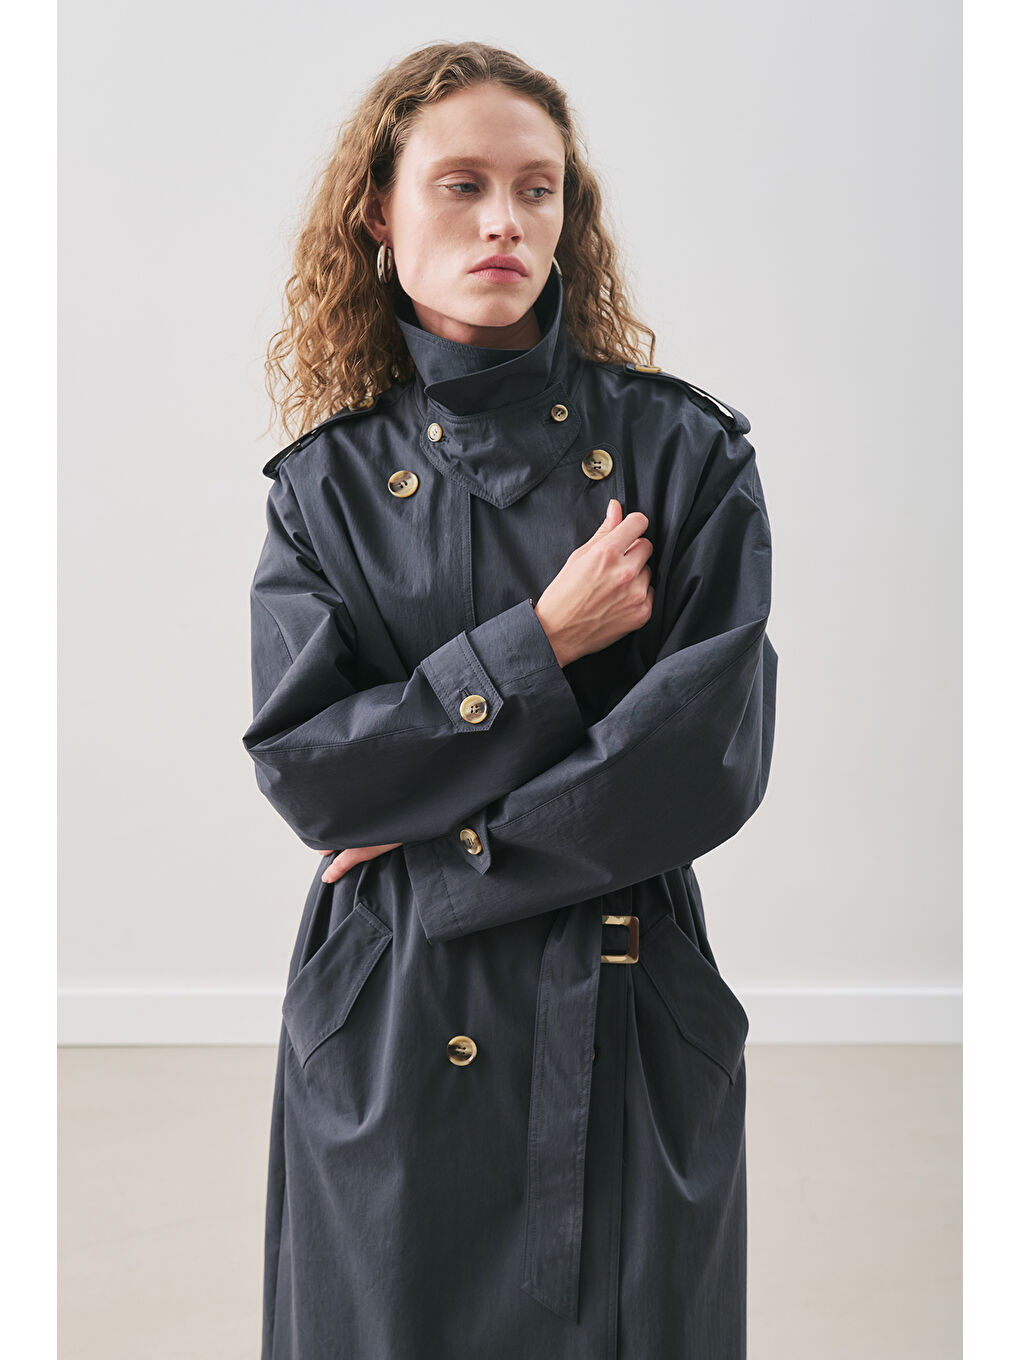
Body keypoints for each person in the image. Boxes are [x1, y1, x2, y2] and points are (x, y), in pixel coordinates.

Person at [242, 39, 778, 1360]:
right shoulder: (324, 489)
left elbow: (699, 754)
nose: (503, 221)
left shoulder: (682, 452)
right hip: (394, 1012)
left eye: (538, 189)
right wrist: (540, 642)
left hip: (617, 991)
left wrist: (447, 849)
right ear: (379, 210)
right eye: (462, 184)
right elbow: (313, 771)